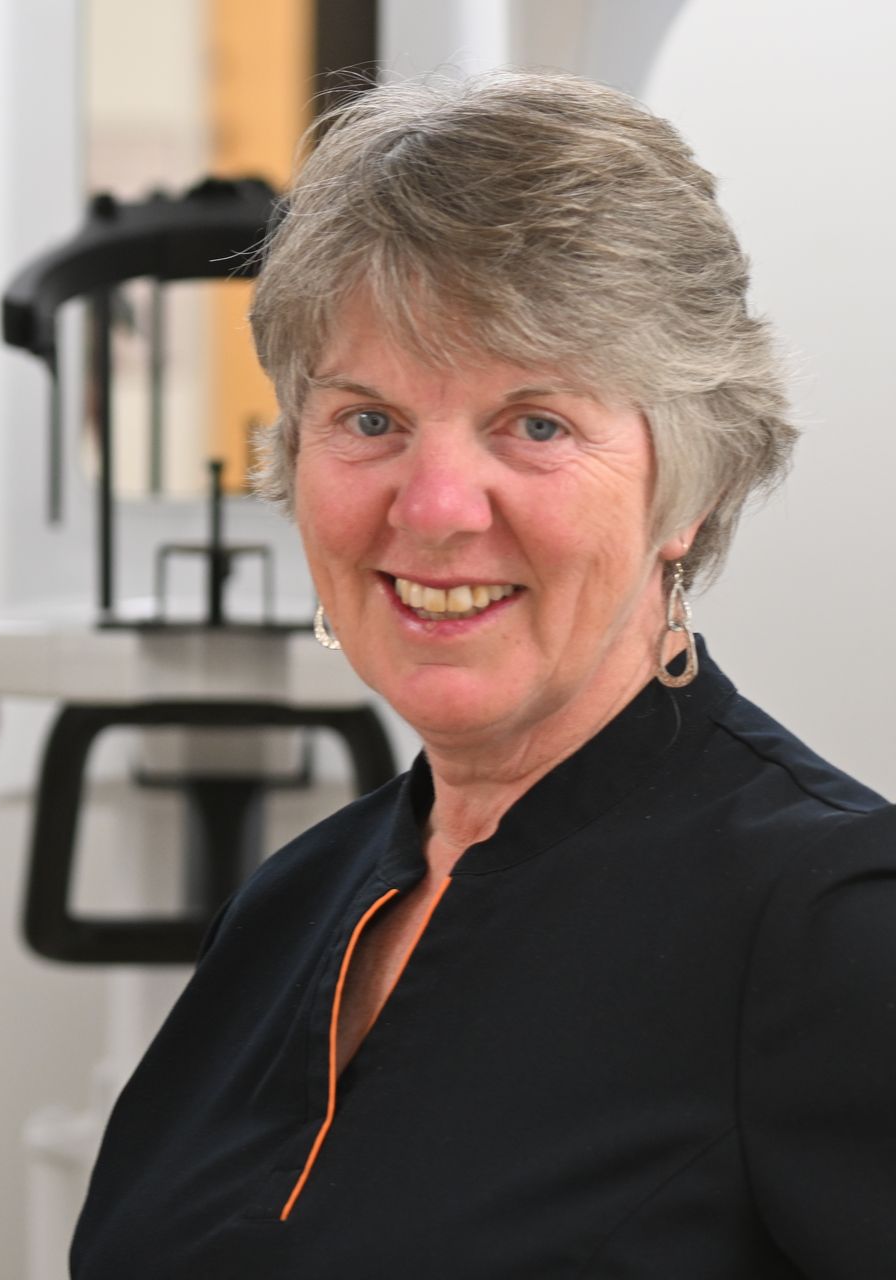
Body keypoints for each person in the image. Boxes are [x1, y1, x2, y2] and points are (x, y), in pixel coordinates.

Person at [71, 72, 896, 1277]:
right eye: (368, 420)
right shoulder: (293, 904)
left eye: (537, 423)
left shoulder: (835, 923)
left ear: (695, 482)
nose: (438, 508)